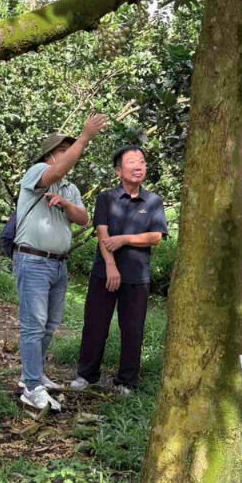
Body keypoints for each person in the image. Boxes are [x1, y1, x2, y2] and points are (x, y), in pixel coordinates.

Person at [13, 114, 107, 411]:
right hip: (33, 260)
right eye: (63, 151)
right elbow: (57, 171)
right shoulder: (38, 172)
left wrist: (67, 205)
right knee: (34, 324)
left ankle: (34, 373)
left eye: (71, 149)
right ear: (49, 155)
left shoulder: (69, 188)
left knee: (50, 324)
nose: (69, 155)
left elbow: (84, 219)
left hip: (58, 265)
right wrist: (85, 137)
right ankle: (31, 387)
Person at [71, 145, 168, 397]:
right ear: (118, 171)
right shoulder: (106, 198)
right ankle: (87, 375)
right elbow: (103, 233)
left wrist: (124, 239)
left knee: (133, 329)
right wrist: (111, 266)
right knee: (95, 325)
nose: (139, 166)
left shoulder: (154, 201)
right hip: (104, 273)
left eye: (142, 162)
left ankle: (126, 382)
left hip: (137, 276)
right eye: (132, 162)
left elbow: (156, 236)